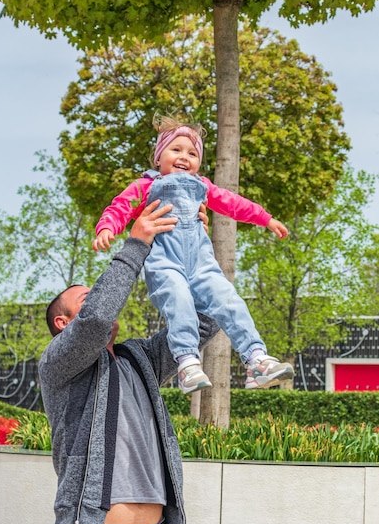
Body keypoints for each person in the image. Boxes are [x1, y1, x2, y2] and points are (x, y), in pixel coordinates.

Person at [39, 199, 219, 524]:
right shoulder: (58, 361)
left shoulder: (140, 358)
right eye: (86, 298)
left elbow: (204, 322)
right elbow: (97, 318)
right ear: (63, 323)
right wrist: (137, 244)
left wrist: (196, 250)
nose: (97, 300)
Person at [92, 115, 295, 394]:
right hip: (166, 264)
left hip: (202, 265)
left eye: (192, 153)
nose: (184, 158)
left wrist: (265, 218)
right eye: (176, 150)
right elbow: (120, 207)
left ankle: (256, 360)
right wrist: (106, 228)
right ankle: (187, 362)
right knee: (180, 301)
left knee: (230, 300)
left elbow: (232, 203)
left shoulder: (203, 186)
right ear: (158, 157)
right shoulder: (146, 186)